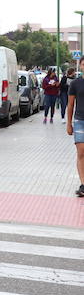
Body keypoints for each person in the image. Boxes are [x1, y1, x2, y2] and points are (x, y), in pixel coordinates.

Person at [65, 67, 84, 197]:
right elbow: (71, 105)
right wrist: (69, 123)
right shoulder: (75, 83)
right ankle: (83, 184)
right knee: (81, 151)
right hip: (80, 121)